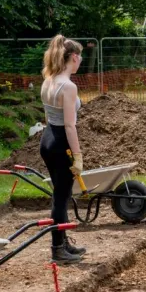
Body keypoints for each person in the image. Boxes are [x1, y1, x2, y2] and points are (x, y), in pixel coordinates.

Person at [39, 35, 86, 264]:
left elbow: (49, 116)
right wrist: (77, 156)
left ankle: (63, 241)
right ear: (74, 57)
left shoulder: (48, 79)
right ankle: (57, 248)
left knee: (61, 194)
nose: (81, 61)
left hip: (47, 139)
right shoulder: (68, 87)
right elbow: (69, 125)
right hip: (61, 143)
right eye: (81, 58)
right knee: (60, 196)